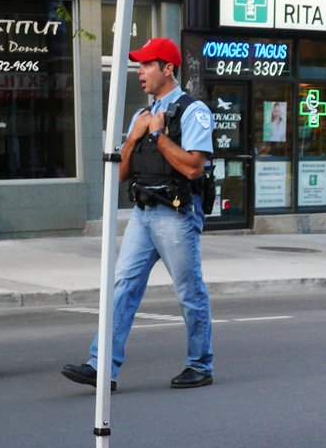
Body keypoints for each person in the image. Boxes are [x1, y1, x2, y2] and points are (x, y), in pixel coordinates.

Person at [62, 37, 214, 390]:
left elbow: (194, 168)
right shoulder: (140, 114)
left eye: (147, 64)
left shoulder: (194, 112)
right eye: (139, 64)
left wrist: (158, 135)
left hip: (176, 214)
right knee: (122, 287)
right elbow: (121, 173)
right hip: (143, 213)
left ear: (168, 69)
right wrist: (133, 139)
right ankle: (101, 366)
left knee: (189, 292)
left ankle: (200, 364)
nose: (140, 71)